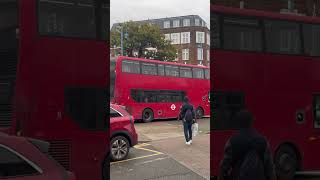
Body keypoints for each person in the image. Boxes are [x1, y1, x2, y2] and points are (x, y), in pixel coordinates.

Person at [218, 110, 276, 180]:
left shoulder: (232, 141)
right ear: (251, 122)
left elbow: (224, 166)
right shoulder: (263, 141)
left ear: (238, 123)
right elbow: (269, 167)